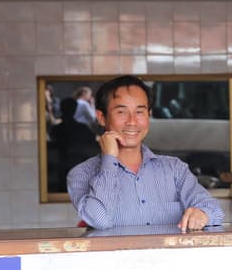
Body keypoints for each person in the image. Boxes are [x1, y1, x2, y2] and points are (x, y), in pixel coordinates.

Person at [67, 75, 223, 231]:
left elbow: (215, 210)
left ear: (149, 115)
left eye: (140, 112)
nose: (132, 121)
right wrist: (109, 160)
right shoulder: (81, 175)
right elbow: (100, 220)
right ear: (101, 117)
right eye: (121, 112)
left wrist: (202, 213)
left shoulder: (175, 169)